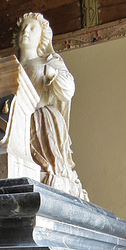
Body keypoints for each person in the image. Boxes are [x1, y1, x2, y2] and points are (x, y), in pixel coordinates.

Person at [14, 12, 88, 200]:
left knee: (43, 120)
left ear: (42, 37)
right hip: (12, 120)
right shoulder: (10, 65)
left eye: (32, 28)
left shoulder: (49, 61)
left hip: (39, 120)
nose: (25, 31)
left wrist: (52, 74)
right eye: (23, 28)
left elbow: (67, 89)